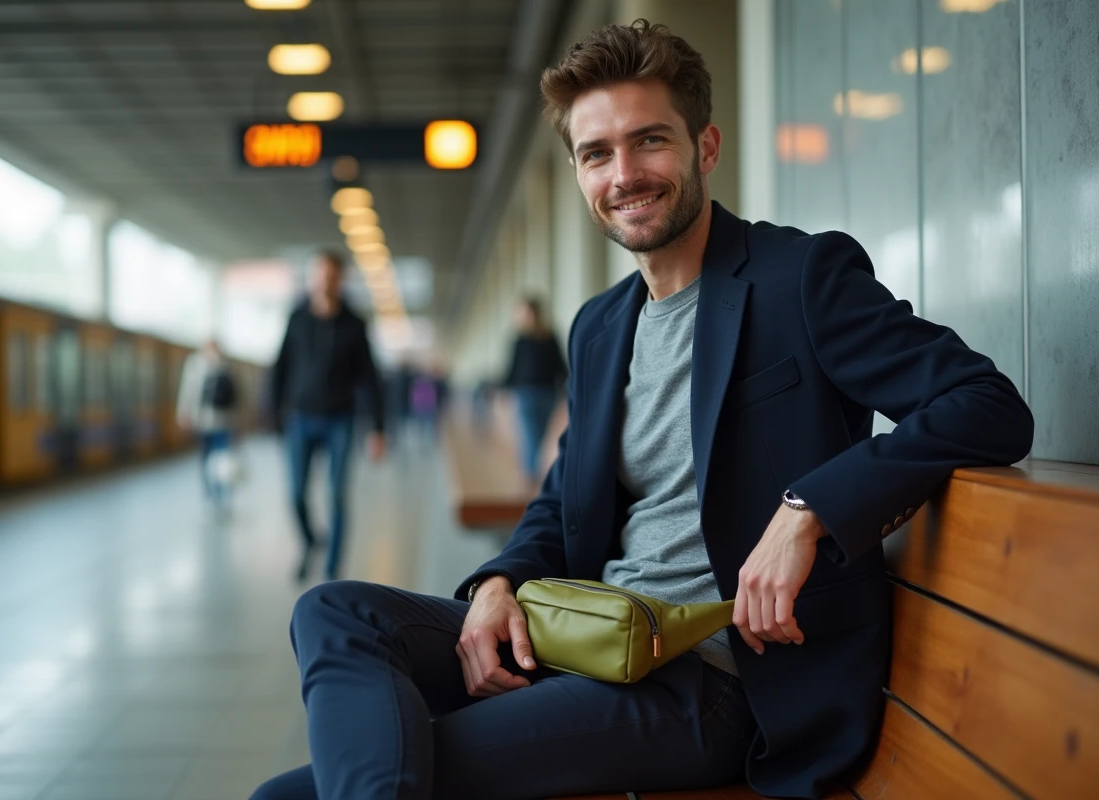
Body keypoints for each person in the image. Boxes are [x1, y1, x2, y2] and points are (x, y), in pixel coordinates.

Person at [250, 20, 1035, 800]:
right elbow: (563, 498)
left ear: (706, 147)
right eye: (597, 153)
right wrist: (497, 584)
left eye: (649, 141)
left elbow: (987, 404)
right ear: (578, 171)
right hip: (590, 637)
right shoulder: (599, 327)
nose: (624, 173)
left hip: (715, 682)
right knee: (334, 611)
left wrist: (809, 511)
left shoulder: (802, 278)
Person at [271, 250, 386, 582]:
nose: (325, 280)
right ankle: (310, 542)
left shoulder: (354, 324)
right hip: (300, 418)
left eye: (332, 274)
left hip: (341, 420)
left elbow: (370, 377)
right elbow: (281, 366)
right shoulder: (297, 317)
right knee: (295, 493)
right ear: (312, 277)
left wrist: (378, 427)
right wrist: (275, 414)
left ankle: (333, 568)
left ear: (341, 279)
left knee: (337, 495)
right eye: (319, 273)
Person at [501, 296, 567, 481]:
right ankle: (531, 473)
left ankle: (533, 470)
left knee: (540, 434)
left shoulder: (550, 337)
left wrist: (566, 387)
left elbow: (560, 364)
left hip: (547, 393)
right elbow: (512, 367)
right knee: (530, 433)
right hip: (525, 393)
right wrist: (504, 388)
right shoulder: (519, 339)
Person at [176, 339, 237, 511]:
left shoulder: (226, 367)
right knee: (206, 460)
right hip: (202, 422)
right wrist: (183, 413)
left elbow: (237, 397)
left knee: (222, 461)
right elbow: (188, 390)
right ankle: (210, 496)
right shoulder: (195, 366)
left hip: (223, 422)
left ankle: (223, 495)